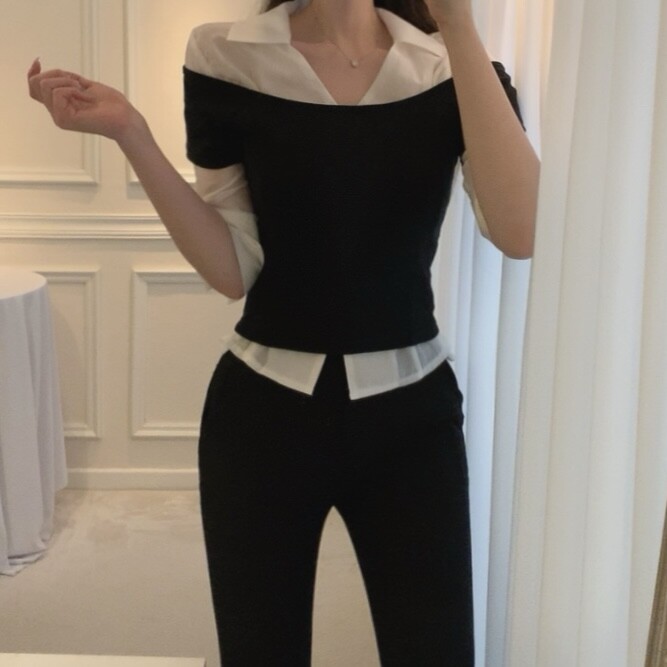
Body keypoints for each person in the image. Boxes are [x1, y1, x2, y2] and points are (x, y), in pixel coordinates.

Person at [28, 0, 539, 664]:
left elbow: (519, 231)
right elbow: (232, 269)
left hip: (412, 420)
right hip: (261, 417)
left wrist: (459, 26)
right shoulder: (226, 56)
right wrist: (132, 133)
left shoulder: (447, 68)